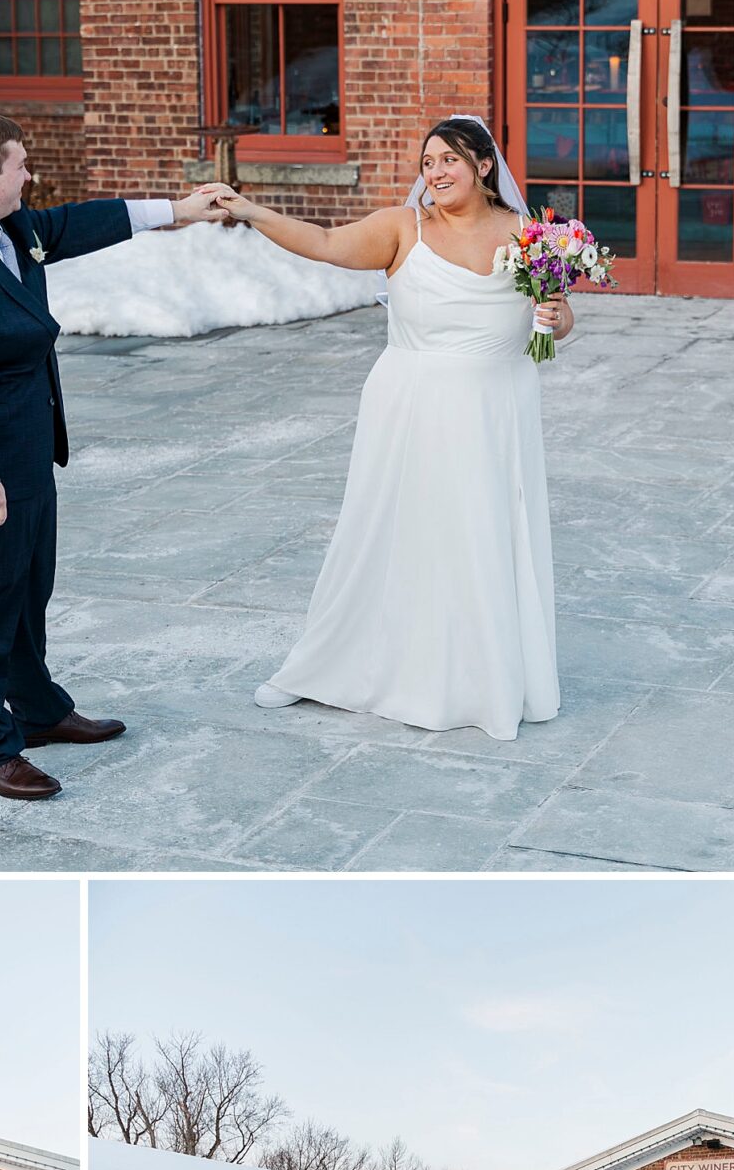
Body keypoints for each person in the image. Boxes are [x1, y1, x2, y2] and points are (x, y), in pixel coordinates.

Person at [0, 109, 232, 795]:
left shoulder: (4, 226)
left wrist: (179, 211)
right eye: (20, 165)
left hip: (24, 451)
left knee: (26, 591)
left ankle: (38, 711)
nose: (30, 176)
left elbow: (73, 225)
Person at [212, 116, 567, 741]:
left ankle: (479, 679)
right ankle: (329, 665)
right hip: (411, 403)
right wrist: (251, 211)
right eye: (428, 162)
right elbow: (325, 243)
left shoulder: (531, 234)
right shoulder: (405, 228)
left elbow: (559, 321)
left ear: (484, 165)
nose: (436, 172)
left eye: (449, 159)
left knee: (481, 536)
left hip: (496, 407)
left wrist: (557, 317)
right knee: (390, 529)